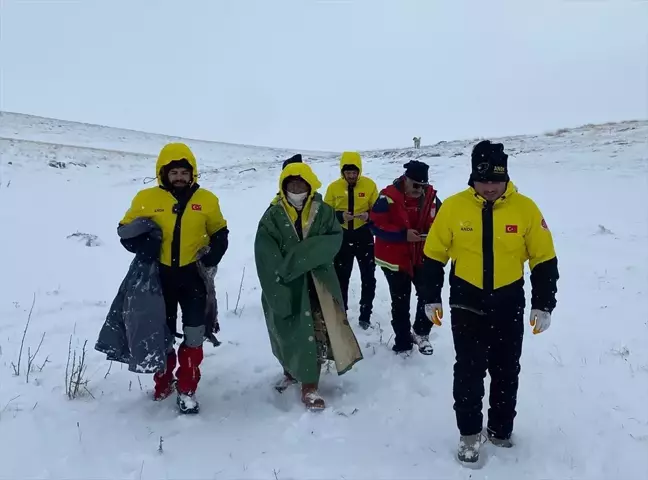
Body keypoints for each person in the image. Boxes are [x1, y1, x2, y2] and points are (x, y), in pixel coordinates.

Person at [422, 140, 559, 464]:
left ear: (506, 178)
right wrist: (430, 297)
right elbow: (433, 256)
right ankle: (469, 435)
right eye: (484, 180)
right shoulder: (453, 208)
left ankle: (500, 429)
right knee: (469, 371)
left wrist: (543, 303)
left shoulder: (525, 208)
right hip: (466, 301)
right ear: (473, 178)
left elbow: (544, 259)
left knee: (506, 369)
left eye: (496, 180)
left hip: (508, 301)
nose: (490, 187)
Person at [117, 142, 229, 414]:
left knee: (194, 335)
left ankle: (188, 387)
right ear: (163, 173)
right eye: (173, 172)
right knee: (161, 335)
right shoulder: (146, 198)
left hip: (193, 279)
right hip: (158, 280)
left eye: (184, 172)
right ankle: (163, 382)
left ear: (193, 174)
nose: (179, 177)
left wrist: (212, 257)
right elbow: (124, 230)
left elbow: (220, 233)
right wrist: (143, 247)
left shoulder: (208, 200)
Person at [254, 162, 363, 411]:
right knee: (286, 329)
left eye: (300, 184)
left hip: (318, 283)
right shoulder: (272, 216)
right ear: (283, 187)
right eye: (290, 184)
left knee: (313, 330)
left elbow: (333, 240)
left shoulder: (323, 212)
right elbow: (265, 252)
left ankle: (310, 385)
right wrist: (280, 278)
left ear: (309, 185)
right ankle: (291, 370)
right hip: (284, 283)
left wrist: (299, 257)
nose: (296, 188)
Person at [369, 160, 442, 355]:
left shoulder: (433, 199)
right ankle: (402, 342)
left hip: (422, 256)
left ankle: (420, 332)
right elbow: (375, 225)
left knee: (428, 295)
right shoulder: (387, 198)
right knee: (400, 301)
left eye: (423, 186)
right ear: (405, 179)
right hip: (394, 260)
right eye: (415, 185)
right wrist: (402, 234)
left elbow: (444, 223)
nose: (419, 189)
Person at [324, 151, 379, 330]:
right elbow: (325, 213)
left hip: (363, 235)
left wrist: (368, 215)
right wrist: (340, 216)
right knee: (341, 278)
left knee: (368, 277)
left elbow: (379, 210)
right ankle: (342, 314)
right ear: (342, 172)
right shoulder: (333, 188)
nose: (351, 176)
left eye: (354, 172)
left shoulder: (369, 185)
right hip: (342, 236)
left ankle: (365, 314)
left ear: (359, 171)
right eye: (348, 173)